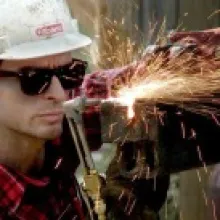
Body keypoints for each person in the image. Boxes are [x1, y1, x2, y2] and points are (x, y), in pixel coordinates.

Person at [0, 0, 170, 219]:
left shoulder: (46, 113)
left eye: (68, 73)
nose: (60, 94)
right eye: (34, 79)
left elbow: (112, 87)